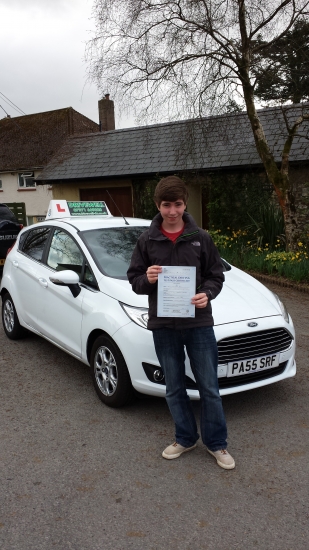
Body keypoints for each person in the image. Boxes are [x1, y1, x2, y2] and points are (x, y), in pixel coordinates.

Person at [127, 176, 235, 470]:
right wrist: (146, 279)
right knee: (174, 386)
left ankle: (216, 443)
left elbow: (216, 275)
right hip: (163, 326)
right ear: (158, 206)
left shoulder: (201, 237)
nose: (172, 211)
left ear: (185, 204)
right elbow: (134, 279)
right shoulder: (146, 240)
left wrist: (207, 294)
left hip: (198, 323)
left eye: (177, 204)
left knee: (209, 386)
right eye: (166, 205)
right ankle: (185, 438)